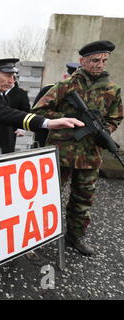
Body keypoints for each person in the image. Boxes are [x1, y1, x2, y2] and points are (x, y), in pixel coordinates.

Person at [32, 40, 123, 256]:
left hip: (91, 155)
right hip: (61, 153)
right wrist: (66, 118)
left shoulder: (113, 89)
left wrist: (104, 130)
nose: (100, 64)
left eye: (103, 60)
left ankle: (75, 237)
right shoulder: (65, 86)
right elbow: (38, 111)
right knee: (49, 197)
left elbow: (116, 117)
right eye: (94, 60)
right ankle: (38, 237)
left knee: (83, 199)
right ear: (82, 61)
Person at [0, 58, 85, 160]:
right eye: (8, 76)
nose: (12, 80)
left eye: (13, 76)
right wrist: (48, 123)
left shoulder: (1, 96)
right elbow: (10, 115)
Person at [33, 62, 81, 147]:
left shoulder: (82, 95)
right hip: (46, 138)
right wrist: (64, 116)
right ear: (65, 77)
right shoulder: (49, 89)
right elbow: (35, 112)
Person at [6, 76, 31, 149]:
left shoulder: (21, 93)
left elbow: (26, 111)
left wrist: (22, 128)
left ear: (14, 80)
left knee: (7, 149)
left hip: (12, 128)